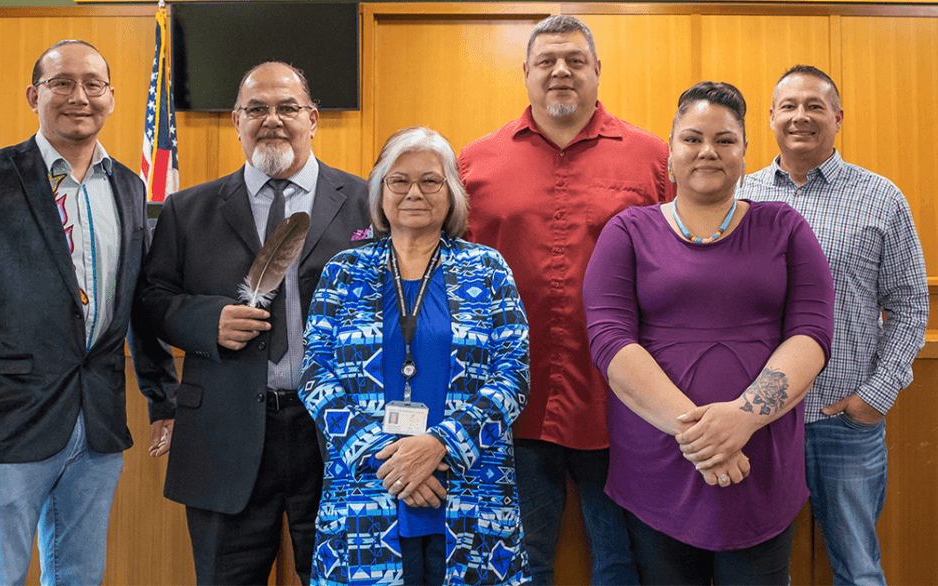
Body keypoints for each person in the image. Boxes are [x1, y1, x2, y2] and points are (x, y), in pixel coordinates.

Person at [0, 40, 178, 585]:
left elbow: (137, 305)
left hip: (99, 424)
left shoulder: (130, 186)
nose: (78, 96)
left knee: (81, 574)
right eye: (61, 83)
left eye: (92, 84)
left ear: (111, 97)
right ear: (34, 95)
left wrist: (161, 397)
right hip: (5, 419)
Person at [582, 81, 835, 584]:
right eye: (692, 139)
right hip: (660, 461)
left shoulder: (784, 227)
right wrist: (701, 437)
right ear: (670, 151)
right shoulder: (627, 231)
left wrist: (742, 419)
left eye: (724, 140)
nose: (708, 152)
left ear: (744, 151)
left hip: (759, 459)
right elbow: (610, 339)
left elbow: (812, 332)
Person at [137, 62, 372, 585]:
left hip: (339, 438)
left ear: (313, 118)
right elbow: (150, 299)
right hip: (224, 438)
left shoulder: (369, 204)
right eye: (255, 109)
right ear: (236, 123)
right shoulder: (187, 209)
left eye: (287, 107)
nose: (272, 119)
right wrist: (206, 320)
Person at [458, 14, 672, 584]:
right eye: (546, 62)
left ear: (597, 71)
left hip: (622, 400)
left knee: (624, 560)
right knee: (520, 558)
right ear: (525, 73)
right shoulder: (473, 163)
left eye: (575, 61)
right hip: (509, 401)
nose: (561, 72)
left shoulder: (653, 159)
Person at [300, 126, 530, 586]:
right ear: (380, 192)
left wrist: (439, 444)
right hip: (369, 487)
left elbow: (513, 374)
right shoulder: (344, 272)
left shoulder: (487, 269)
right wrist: (393, 459)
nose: (414, 192)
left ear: (452, 195)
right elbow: (315, 376)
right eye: (398, 180)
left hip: (469, 485)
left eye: (431, 180)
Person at [743, 65, 929, 585]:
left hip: (843, 423)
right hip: (755, 422)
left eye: (815, 106)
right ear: (771, 117)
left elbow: (911, 306)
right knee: (753, 569)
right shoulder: (738, 194)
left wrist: (875, 396)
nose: (800, 116)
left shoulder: (880, 197)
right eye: (788, 106)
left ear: (838, 118)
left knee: (858, 569)